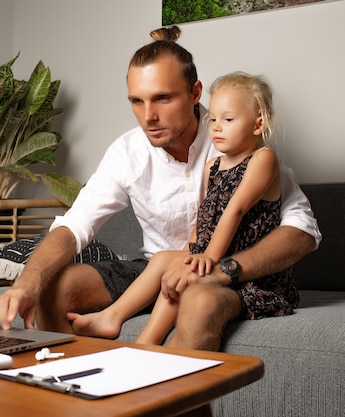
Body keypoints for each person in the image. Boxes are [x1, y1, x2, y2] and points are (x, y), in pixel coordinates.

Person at [0, 26, 321, 351]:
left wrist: (222, 269)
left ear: (194, 93)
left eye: (162, 98)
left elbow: (302, 232)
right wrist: (26, 284)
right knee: (56, 288)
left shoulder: (239, 141)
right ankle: (78, 396)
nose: (148, 116)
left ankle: (158, 395)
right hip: (154, 269)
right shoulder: (127, 152)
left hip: (226, 271)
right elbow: (74, 226)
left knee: (200, 298)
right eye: (137, 101)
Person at [67, 71, 298, 345]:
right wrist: (191, 249)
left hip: (249, 273)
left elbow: (233, 210)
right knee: (166, 259)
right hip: (214, 253)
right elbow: (204, 220)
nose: (217, 127)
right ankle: (112, 317)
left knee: (187, 273)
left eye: (228, 120)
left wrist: (208, 257)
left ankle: (147, 342)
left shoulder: (263, 159)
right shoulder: (213, 167)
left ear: (258, 125)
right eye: (213, 119)